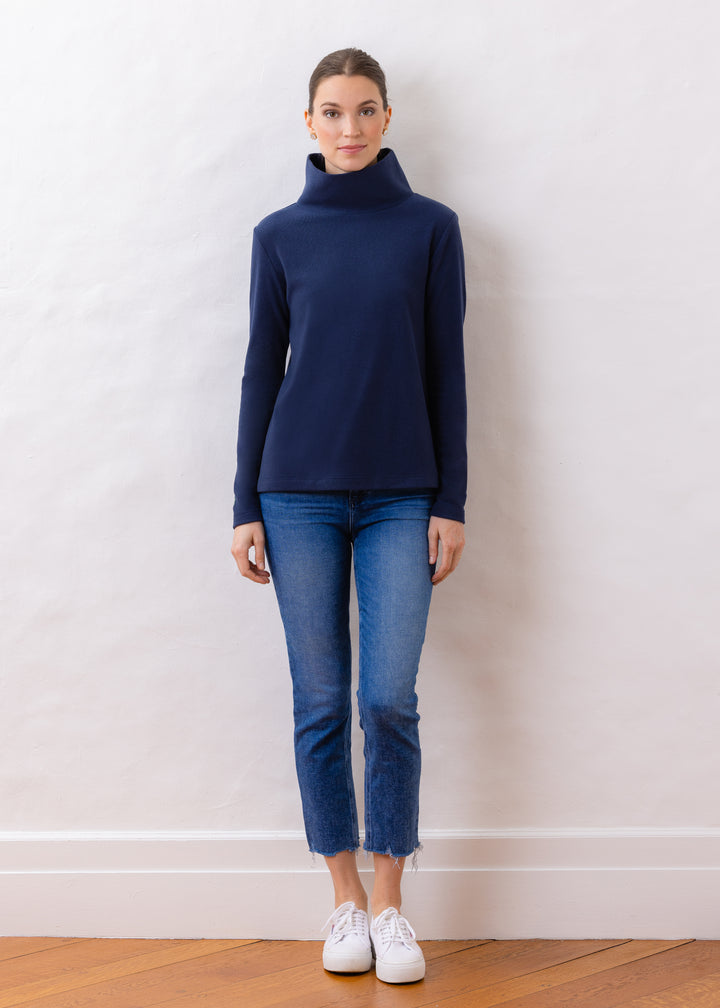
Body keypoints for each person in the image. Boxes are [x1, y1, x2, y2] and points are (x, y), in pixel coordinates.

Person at [231, 47, 467, 985]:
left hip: (403, 493)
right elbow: (261, 369)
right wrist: (244, 503)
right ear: (310, 123)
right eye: (332, 112)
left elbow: (447, 369)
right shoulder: (279, 235)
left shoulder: (431, 229)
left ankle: (392, 903)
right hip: (295, 494)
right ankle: (344, 900)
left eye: (365, 110)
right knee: (322, 701)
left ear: (387, 117)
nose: (350, 127)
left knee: (388, 700)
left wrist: (451, 499)